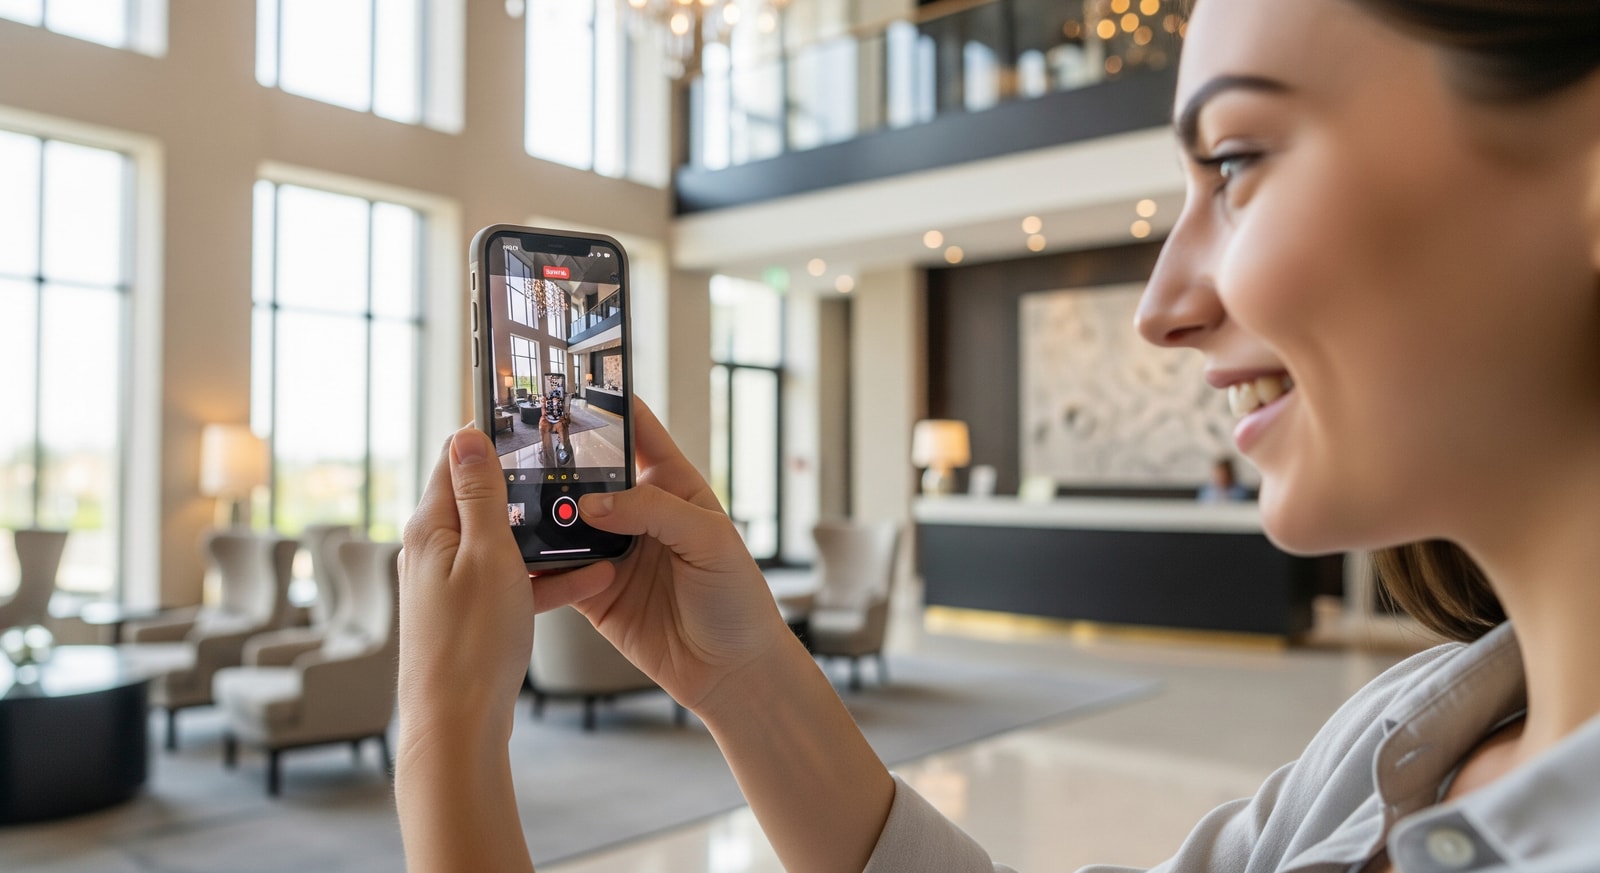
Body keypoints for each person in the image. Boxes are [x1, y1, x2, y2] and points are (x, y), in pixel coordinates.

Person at [395, 1, 1600, 871]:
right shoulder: (1401, 737)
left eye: (1234, 163)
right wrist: (747, 682)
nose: (1161, 304)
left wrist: (444, 747)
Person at [537, 373, 572, 467]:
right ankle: (546, 454)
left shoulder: (565, 398)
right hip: (549, 420)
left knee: (562, 426)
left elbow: (569, 420)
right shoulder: (546, 397)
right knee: (543, 425)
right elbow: (543, 414)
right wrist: (543, 406)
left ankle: (563, 449)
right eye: (552, 383)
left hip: (560, 422)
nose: (554, 385)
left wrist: (564, 417)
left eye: (557, 382)